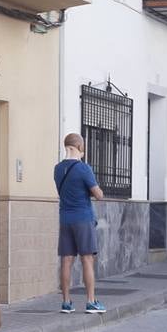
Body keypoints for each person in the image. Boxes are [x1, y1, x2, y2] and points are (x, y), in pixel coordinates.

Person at [53, 133, 105, 314]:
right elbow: (99, 195)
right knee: (87, 260)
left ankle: (66, 302)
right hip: (83, 218)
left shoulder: (57, 168)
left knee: (66, 261)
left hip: (65, 219)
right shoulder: (84, 169)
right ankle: (91, 302)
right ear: (80, 148)